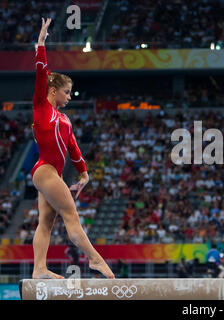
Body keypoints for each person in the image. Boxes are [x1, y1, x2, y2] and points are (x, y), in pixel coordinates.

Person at [30, 18, 114, 279]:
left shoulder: (64, 119)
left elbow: (73, 147)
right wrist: (41, 44)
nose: (69, 97)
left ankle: (39, 269)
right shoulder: (42, 108)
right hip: (45, 171)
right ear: (52, 91)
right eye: (66, 93)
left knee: (46, 222)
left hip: (52, 173)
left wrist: (84, 174)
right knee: (71, 216)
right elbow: (42, 72)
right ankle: (95, 259)